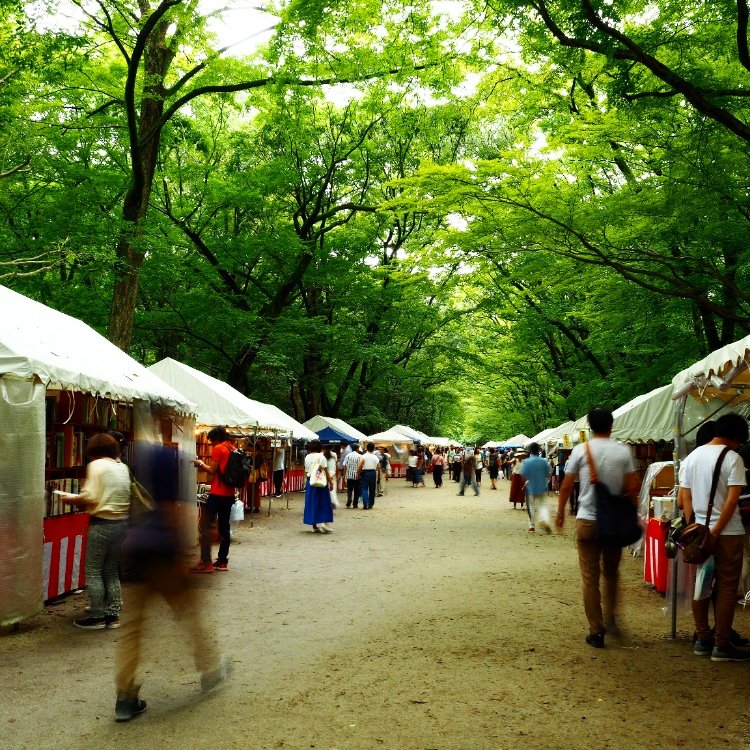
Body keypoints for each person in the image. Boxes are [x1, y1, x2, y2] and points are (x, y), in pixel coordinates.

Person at [114, 436, 229, 722]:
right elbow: (169, 510)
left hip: (136, 548)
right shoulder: (167, 461)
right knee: (189, 614)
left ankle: (125, 695)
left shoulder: (140, 463)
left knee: (131, 628)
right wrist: (180, 556)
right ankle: (210, 668)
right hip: (161, 552)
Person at [556, 407, 639, 649]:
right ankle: (611, 617)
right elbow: (632, 487)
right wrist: (631, 514)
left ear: (590, 427)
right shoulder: (623, 451)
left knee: (589, 578)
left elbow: (566, 485)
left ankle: (596, 630)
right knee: (611, 573)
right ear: (611, 425)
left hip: (587, 520)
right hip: (613, 521)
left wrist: (560, 512)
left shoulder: (581, 450)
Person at [680, 412, 750, 662]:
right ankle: (721, 643)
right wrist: (717, 529)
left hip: (699, 533)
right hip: (727, 532)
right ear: (735, 436)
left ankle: (702, 638)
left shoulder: (692, 458)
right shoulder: (733, 459)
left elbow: (685, 497)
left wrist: (696, 527)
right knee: (727, 588)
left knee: (701, 583)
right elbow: (732, 500)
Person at [63, 433, 130, 629]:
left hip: (101, 523)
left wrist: (70, 498)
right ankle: (112, 614)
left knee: (93, 571)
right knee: (111, 570)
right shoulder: (122, 467)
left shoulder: (96, 466)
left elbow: (90, 497)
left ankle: (97, 615)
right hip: (121, 523)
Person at [192, 425, 237, 572]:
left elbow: (212, 470)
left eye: (211, 440)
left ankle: (206, 562)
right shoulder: (232, 447)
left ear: (216, 438)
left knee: (204, 525)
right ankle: (222, 561)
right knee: (224, 527)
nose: (211, 443)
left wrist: (200, 463)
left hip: (217, 493)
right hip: (229, 494)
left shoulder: (219, 448)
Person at [303, 439, 334, 532]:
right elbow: (325, 471)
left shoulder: (307, 457)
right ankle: (323, 522)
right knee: (323, 502)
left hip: (310, 481)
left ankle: (314, 525)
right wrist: (331, 482)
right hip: (320, 482)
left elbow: (306, 471)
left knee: (312, 502)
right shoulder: (321, 457)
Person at [520, 442, 552, 533]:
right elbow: (548, 474)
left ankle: (531, 525)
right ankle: (544, 519)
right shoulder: (544, 461)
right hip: (542, 486)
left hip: (530, 487)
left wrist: (525, 483)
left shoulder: (526, 462)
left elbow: (523, 475)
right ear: (539, 450)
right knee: (543, 506)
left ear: (530, 451)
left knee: (531, 506)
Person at [358, 442, 381, 509]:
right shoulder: (375, 457)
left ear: (366, 448)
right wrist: (379, 477)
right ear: (373, 449)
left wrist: (358, 473)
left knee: (364, 488)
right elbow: (378, 467)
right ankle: (371, 504)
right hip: (373, 473)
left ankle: (366, 503)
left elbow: (360, 466)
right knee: (372, 489)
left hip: (365, 473)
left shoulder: (363, 456)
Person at [343, 443, 362, 508]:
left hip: (349, 475)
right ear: (357, 449)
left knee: (349, 489)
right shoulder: (360, 456)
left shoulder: (348, 456)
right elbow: (361, 466)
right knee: (356, 490)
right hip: (357, 476)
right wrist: (359, 474)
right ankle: (355, 504)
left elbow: (345, 466)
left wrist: (344, 475)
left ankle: (349, 500)